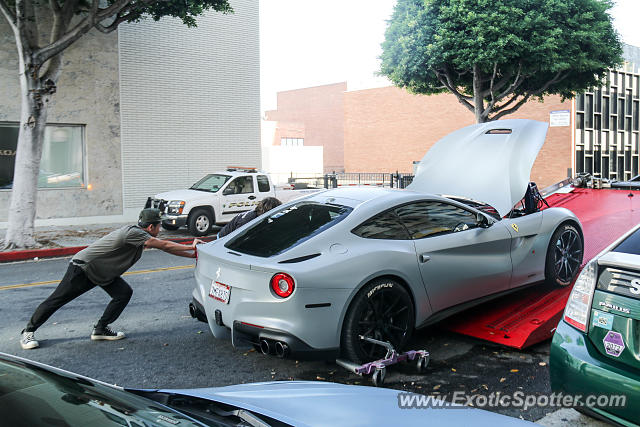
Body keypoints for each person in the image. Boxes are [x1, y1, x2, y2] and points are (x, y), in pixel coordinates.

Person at [19, 208, 202, 350]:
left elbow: (167, 248)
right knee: (57, 300)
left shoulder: (141, 236)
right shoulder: (135, 233)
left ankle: (100, 329)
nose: (160, 229)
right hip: (83, 268)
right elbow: (164, 244)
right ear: (150, 227)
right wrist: (191, 245)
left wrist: (193, 254)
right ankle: (28, 332)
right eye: (158, 225)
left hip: (102, 273)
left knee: (123, 293)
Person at [217, 197, 281, 238]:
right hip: (223, 238)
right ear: (267, 211)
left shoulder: (257, 214)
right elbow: (236, 238)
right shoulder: (247, 220)